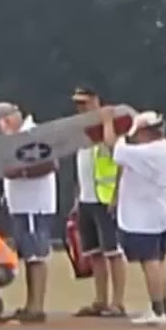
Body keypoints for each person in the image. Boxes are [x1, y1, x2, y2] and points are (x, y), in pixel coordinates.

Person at [98, 107, 166, 325]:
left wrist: (108, 121)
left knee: (150, 262)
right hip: (161, 211)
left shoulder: (148, 152)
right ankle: (164, 309)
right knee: (159, 261)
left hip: (145, 215)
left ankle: (157, 310)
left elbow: (113, 147)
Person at [0, 101, 57, 321]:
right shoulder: (17, 139)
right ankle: (31, 304)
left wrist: (21, 172)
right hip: (22, 205)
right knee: (29, 255)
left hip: (34, 204)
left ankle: (37, 306)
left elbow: (51, 162)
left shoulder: (32, 134)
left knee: (36, 255)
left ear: (5, 121)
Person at [71, 87, 127, 317]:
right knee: (94, 252)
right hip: (87, 198)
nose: (80, 108)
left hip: (106, 198)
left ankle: (118, 302)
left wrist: (117, 195)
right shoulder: (80, 130)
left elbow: (119, 155)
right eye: (78, 104)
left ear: (95, 101)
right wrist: (77, 198)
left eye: (85, 103)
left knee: (112, 251)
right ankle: (101, 300)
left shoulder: (112, 126)